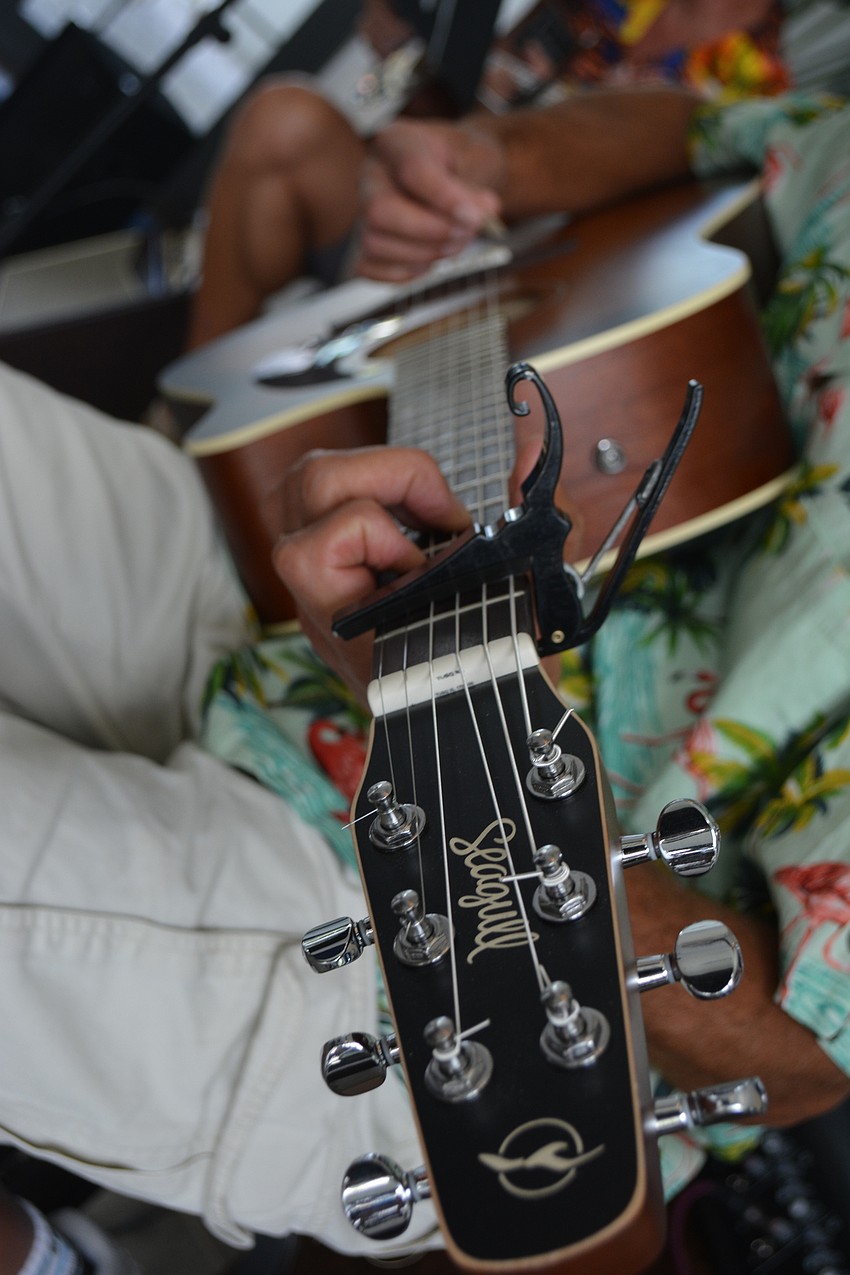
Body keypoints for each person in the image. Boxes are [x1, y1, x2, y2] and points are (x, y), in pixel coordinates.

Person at [1, 65, 850, 1275]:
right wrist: (490, 168)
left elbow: (800, 1065)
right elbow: (705, 122)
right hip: (248, 590)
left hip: (442, 937)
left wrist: (453, 705)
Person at [186, 0, 817, 348]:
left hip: (553, 279)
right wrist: (417, 60)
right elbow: (476, 104)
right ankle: (197, 416)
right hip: (441, 203)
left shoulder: (764, 85)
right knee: (281, 116)